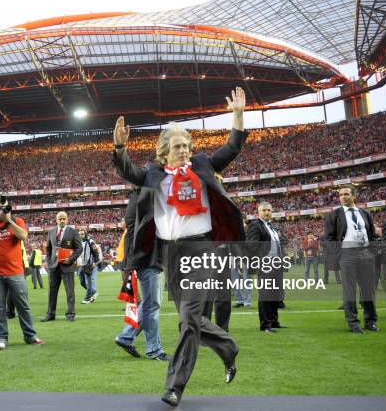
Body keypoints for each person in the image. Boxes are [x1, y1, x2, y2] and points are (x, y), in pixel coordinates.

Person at [112, 87, 246, 407]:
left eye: (186, 145)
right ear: (164, 153)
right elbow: (129, 171)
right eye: (177, 146)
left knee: (188, 319)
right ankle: (228, 348)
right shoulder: (154, 175)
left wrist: (238, 116)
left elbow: (230, 149)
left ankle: (175, 387)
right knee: (190, 320)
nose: (184, 150)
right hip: (171, 253)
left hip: (202, 249)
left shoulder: (202, 165)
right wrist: (119, 146)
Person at [0, 198, 43, 350]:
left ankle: (30, 336)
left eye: (6, 208)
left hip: (15, 272)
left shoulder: (17, 221)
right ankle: (0, 338)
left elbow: (24, 236)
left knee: (23, 306)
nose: (4, 211)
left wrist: (8, 221)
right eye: (0, 208)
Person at [114, 187, 169, 361]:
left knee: (150, 303)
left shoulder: (139, 200)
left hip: (148, 257)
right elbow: (139, 231)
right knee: (151, 305)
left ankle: (126, 336)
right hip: (148, 258)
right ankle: (154, 349)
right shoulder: (143, 201)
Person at [325, 185, 379, 334]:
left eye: (346, 194)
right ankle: (353, 323)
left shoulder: (365, 213)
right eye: (341, 195)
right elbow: (329, 238)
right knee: (349, 290)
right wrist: (339, 254)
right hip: (347, 253)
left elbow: (372, 234)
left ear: (354, 196)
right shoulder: (334, 215)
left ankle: (371, 321)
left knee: (368, 290)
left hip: (366, 253)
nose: (343, 197)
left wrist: (372, 251)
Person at [246, 202, 287, 333]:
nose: (267, 212)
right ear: (258, 212)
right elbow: (252, 245)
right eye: (264, 210)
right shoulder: (254, 225)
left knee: (275, 294)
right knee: (265, 294)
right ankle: (265, 325)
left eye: (269, 210)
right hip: (265, 264)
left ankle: (274, 321)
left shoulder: (272, 227)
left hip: (276, 264)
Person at [41, 211, 82, 322]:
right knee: (52, 291)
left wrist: (71, 259)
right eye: (60, 219)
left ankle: (70, 313)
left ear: (67, 219)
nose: (62, 220)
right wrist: (49, 262)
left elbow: (79, 248)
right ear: (56, 220)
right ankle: (50, 314)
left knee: (70, 291)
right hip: (54, 267)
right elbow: (49, 249)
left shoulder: (73, 232)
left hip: (67, 266)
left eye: (64, 218)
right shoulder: (51, 232)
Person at [77, 230, 101, 304]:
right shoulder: (79, 242)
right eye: (80, 234)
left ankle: (88, 298)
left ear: (85, 234)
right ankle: (93, 292)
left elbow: (96, 252)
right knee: (81, 281)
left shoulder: (90, 241)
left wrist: (95, 262)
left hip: (90, 264)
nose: (81, 235)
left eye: (82, 234)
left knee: (89, 281)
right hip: (82, 264)